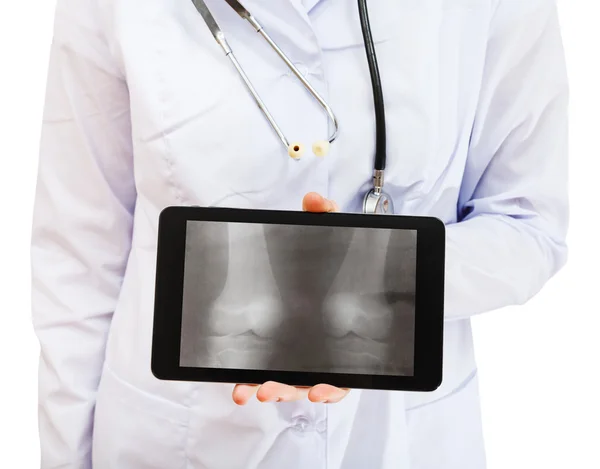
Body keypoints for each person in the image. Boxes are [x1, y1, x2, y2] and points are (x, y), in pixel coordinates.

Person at [30, 0, 569, 467]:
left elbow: (528, 221)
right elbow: (79, 254)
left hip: (400, 438)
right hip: (175, 437)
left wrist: (379, 282)